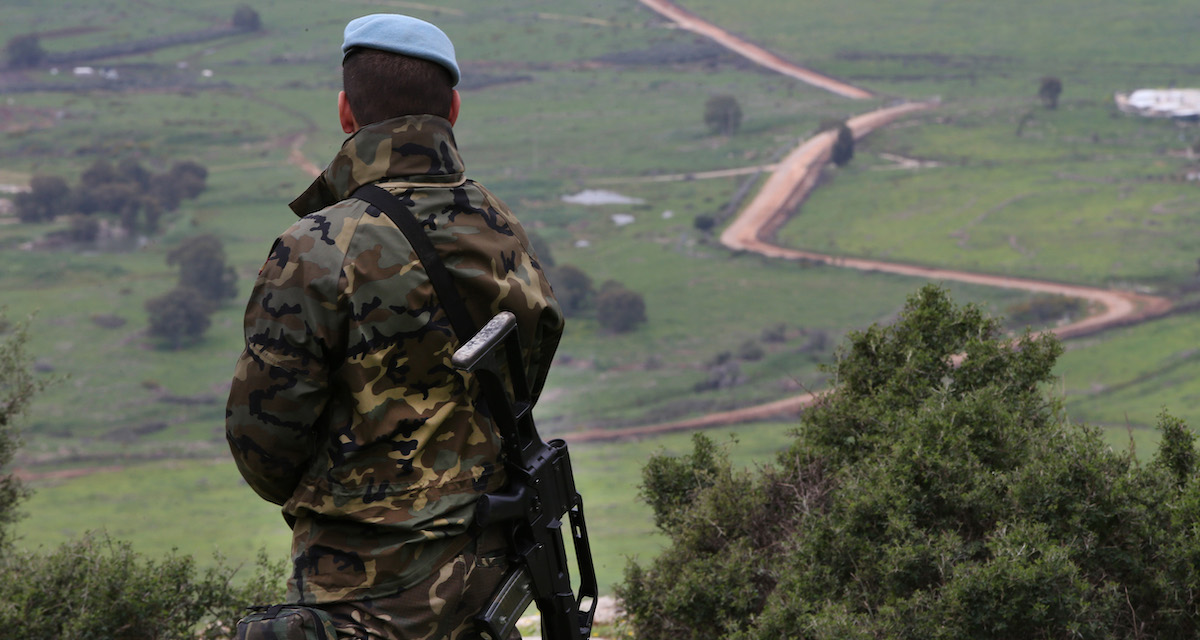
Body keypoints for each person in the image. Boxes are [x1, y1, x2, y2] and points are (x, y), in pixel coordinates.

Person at [225, 14, 563, 639]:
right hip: (488, 590)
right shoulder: (501, 227)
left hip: (357, 598)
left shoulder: (316, 248)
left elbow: (263, 446)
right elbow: (522, 385)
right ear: (453, 109)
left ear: (345, 112)